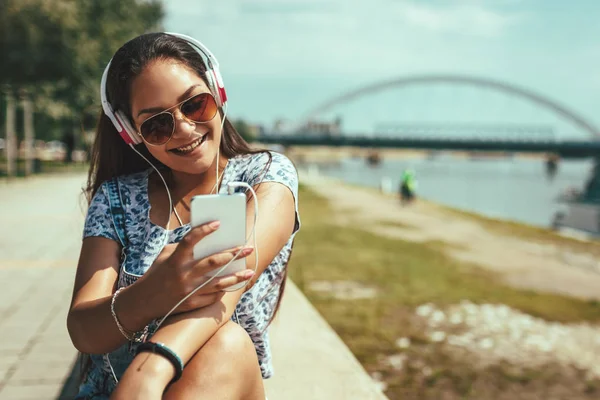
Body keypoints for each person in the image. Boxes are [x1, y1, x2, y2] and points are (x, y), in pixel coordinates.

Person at [67, 32, 300, 399]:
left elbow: (224, 287)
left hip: (209, 380)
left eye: (194, 105)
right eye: (157, 124)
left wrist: (148, 370)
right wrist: (154, 292)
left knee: (227, 342)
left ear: (217, 92)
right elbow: (83, 328)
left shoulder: (256, 181)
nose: (184, 128)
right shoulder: (117, 198)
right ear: (132, 134)